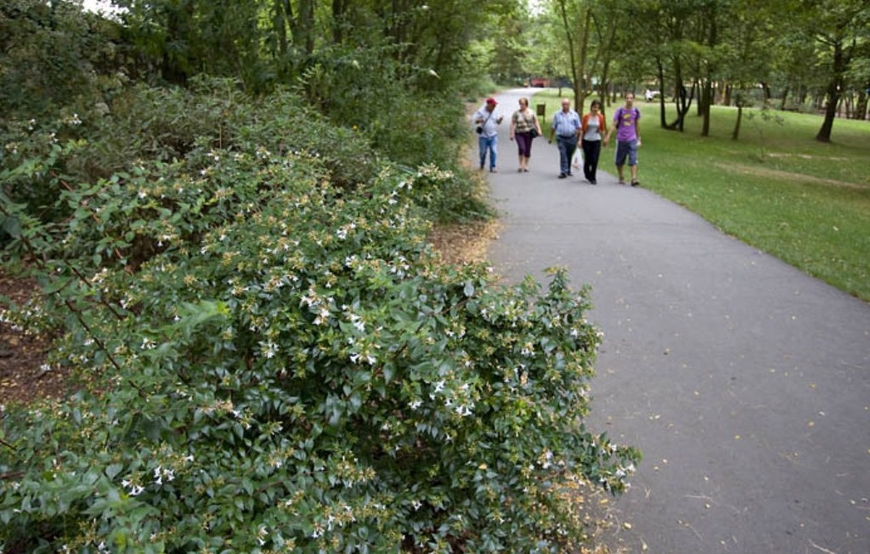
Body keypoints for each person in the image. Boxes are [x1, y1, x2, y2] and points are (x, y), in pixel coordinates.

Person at [604, 92, 642, 186]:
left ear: (633, 100)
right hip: (621, 139)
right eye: (627, 98)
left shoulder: (635, 111)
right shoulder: (620, 110)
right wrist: (608, 137)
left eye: (631, 98)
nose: (629, 100)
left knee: (633, 159)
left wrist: (639, 138)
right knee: (619, 161)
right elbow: (614, 124)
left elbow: (636, 125)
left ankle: (633, 178)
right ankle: (621, 176)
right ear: (625, 99)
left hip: (632, 139)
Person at [548, 98, 581, 178]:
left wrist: (578, 135)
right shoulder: (557, 115)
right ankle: (563, 171)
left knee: (569, 154)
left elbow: (579, 127)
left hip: (572, 137)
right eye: (564, 104)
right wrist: (550, 138)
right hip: (561, 138)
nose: (565, 106)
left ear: (569, 105)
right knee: (563, 154)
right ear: (561, 105)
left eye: (567, 104)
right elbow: (553, 127)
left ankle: (568, 169)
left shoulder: (574, 114)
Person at [509, 97, 543, 172]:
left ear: (526, 104)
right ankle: (521, 164)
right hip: (519, 132)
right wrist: (511, 133)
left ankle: (526, 165)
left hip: (529, 132)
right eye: (520, 104)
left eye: (523, 104)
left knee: (527, 149)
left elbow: (536, 121)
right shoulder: (516, 113)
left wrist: (539, 130)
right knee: (522, 147)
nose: (521, 105)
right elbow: (513, 123)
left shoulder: (531, 112)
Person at [473, 97, 504, 172]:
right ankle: (482, 163)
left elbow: (497, 122)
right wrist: (480, 120)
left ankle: (492, 166)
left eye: (495, 105)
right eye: (493, 105)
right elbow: (475, 121)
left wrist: (500, 120)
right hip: (483, 136)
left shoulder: (495, 112)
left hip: (493, 135)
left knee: (494, 151)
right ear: (488, 104)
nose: (494, 107)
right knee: (483, 152)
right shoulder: (481, 111)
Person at [580, 99, 606, 185]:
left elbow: (602, 129)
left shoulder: (600, 117)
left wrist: (605, 138)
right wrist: (580, 140)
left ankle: (593, 177)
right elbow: (582, 130)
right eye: (594, 107)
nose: (596, 109)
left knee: (595, 159)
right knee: (588, 159)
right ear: (591, 107)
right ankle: (587, 173)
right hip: (587, 140)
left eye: (597, 108)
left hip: (596, 140)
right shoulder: (586, 117)